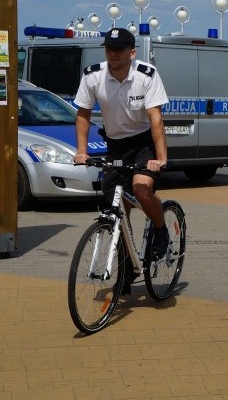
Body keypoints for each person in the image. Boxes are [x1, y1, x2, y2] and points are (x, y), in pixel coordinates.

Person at [73, 28, 170, 293]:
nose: (113, 54)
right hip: (115, 144)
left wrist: (161, 158)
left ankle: (160, 229)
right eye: (109, 49)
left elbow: (156, 119)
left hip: (143, 143)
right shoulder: (93, 75)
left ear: (132, 52)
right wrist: (82, 151)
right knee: (119, 208)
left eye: (119, 49)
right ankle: (127, 267)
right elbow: (83, 114)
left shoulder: (145, 75)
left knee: (140, 189)